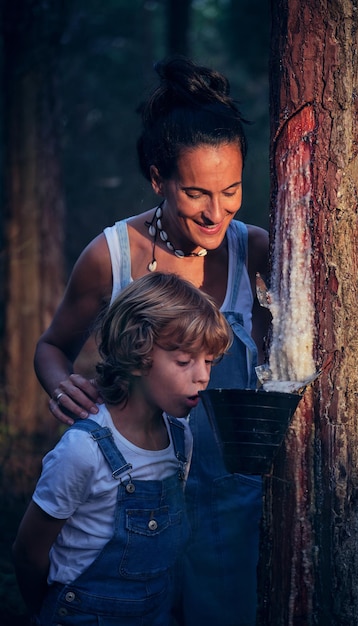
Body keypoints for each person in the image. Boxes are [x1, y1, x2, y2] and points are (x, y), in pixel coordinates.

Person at [33, 55, 271, 625]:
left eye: (232, 190)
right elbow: (52, 347)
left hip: (229, 515)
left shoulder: (256, 251)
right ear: (158, 177)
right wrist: (62, 384)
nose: (218, 214)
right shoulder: (110, 256)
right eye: (196, 194)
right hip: (124, 516)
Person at [13, 272, 232, 625]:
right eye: (184, 361)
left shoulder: (181, 439)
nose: (203, 376)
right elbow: (27, 554)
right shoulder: (83, 450)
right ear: (136, 352)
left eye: (208, 361)